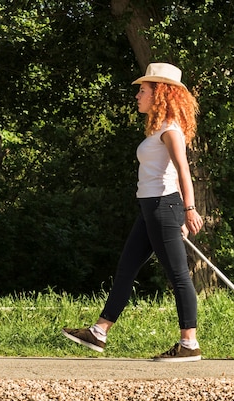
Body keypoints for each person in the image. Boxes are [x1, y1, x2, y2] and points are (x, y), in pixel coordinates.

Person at [62, 62, 204, 362]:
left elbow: (183, 171)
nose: (138, 95)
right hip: (152, 208)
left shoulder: (170, 130)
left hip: (163, 206)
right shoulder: (158, 128)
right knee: (126, 269)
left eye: (143, 90)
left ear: (159, 93)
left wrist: (187, 210)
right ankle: (99, 332)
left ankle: (189, 343)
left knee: (178, 275)